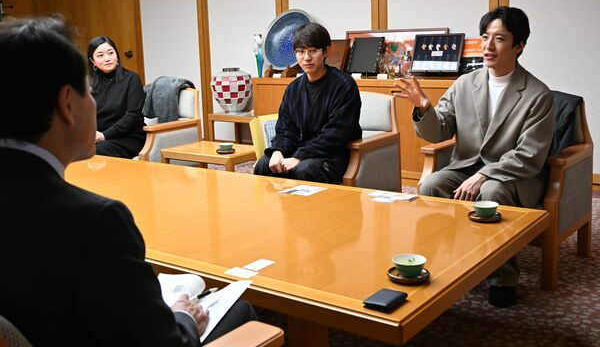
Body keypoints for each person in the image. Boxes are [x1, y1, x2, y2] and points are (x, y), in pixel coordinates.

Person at [0, 17, 256, 346]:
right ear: (67, 104)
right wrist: (184, 317)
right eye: (87, 92)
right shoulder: (96, 221)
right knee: (243, 311)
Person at [394, 7, 555, 308]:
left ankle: (503, 277)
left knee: (491, 193)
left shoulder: (538, 94)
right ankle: (450, 260)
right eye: (484, 37)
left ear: (519, 46)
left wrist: (484, 175)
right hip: (466, 166)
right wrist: (424, 107)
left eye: (499, 39)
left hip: (515, 176)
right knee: (430, 184)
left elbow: (529, 155)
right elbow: (439, 130)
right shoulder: (465, 84)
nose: (488, 46)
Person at [253, 22, 362, 184]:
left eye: (313, 51)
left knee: (304, 170)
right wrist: (277, 151)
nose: (306, 58)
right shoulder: (293, 88)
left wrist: (299, 157)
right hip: (300, 150)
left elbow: (336, 134)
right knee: (264, 164)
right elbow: (285, 129)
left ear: (326, 51)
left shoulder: (344, 85)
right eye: (301, 51)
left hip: (332, 155)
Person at [88, 35, 146, 158]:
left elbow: (132, 117)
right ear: (92, 61)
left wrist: (104, 136)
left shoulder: (132, 79)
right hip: (98, 137)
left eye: (110, 53)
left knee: (94, 151)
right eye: (100, 55)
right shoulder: (88, 84)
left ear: (117, 55)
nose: (107, 59)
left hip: (128, 137)